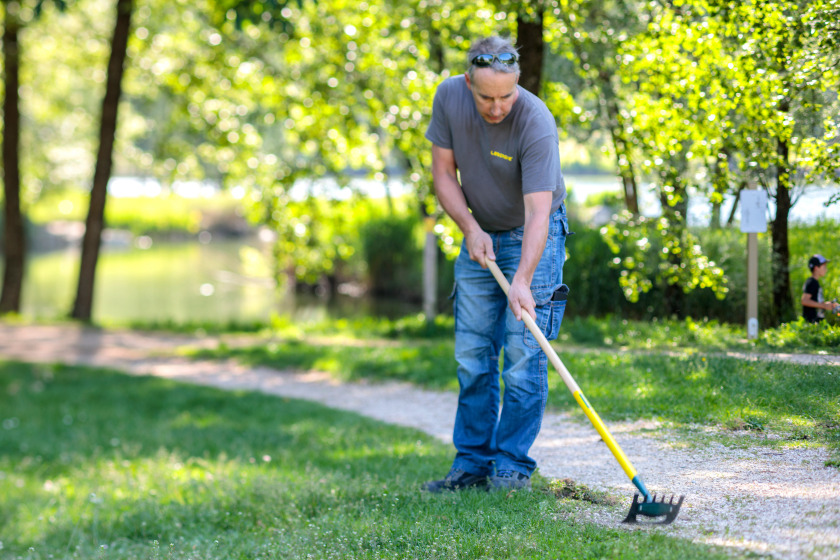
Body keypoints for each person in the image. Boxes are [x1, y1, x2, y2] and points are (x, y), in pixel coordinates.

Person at [422, 36, 570, 492]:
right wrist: (468, 227)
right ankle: (472, 463)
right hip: (478, 231)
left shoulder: (536, 122)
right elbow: (444, 174)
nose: (497, 107)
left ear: (518, 84)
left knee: (524, 355)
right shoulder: (449, 96)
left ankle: (510, 466)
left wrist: (523, 279)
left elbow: (539, 214)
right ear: (468, 83)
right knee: (472, 356)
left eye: (506, 95)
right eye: (486, 96)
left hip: (531, 234)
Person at [802, 254, 839, 323]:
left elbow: (816, 302)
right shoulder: (812, 282)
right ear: (816, 268)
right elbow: (804, 301)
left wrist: (829, 304)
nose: (826, 269)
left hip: (817, 322)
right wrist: (824, 306)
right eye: (824, 267)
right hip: (811, 322)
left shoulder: (815, 282)